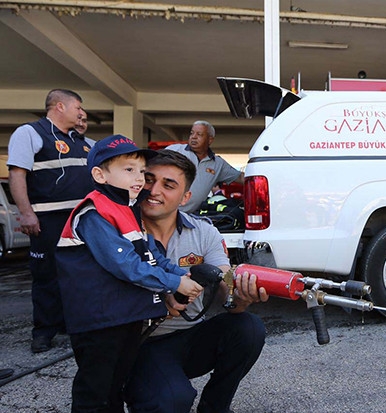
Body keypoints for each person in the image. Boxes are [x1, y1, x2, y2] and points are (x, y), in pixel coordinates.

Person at [55, 136, 203, 413]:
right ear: (100, 175)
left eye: (140, 171)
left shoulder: (128, 209)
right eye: (128, 170)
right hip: (99, 322)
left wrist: (182, 275)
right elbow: (126, 266)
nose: (139, 178)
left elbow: (152, 256)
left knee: (115, 388)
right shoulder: (94, 213)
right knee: (94, 392)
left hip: (124, 317)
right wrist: (175, 282)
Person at [124, 150, 267, 413]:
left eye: (168, 185)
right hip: (137, 344)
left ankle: (215, 408)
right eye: (149, 179)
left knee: (249, 328)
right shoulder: (118, 231)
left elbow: (226, 286)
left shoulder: (204, 232)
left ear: (185, 197)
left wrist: (240, 296)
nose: (154, 190)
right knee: (172, 399)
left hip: (188, 338)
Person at [7, 89, 93, 353]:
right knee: (46, 275)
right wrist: (26, 213)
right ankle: (44, 331)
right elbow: (17, 174)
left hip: (82, 220)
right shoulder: (30, 133)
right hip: (48, 219)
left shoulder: (84, 141)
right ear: (59, 106)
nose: (81, 113)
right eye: (77, 107)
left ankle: (72, 324)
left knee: (79, 273)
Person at [166, 121, 244, 214]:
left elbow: (240, 178)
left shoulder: (218, 164)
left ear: (210, 140)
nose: (193, 137)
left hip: (187, 216)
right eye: (192, 133)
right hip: (164, 211)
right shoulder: (174, 150)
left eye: (199, 134)